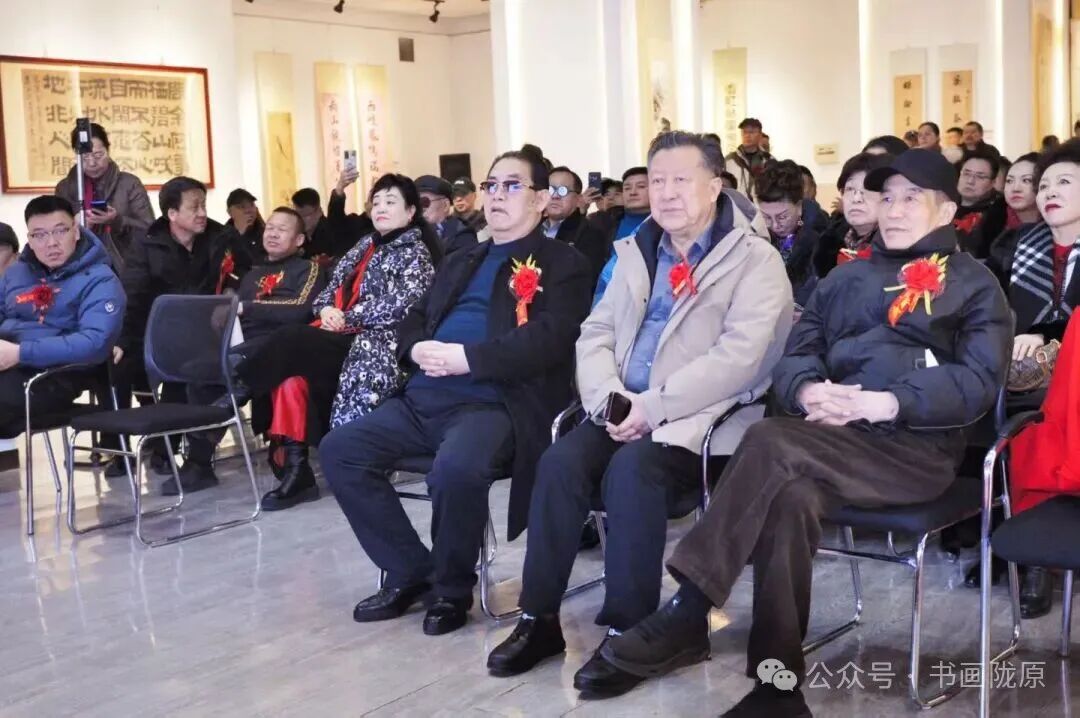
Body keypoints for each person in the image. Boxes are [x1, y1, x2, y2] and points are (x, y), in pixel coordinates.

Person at [599, 149, 1012, 717]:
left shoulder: (975, 285)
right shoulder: (846, 277)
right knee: (791, 498)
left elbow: (980, 382)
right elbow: (798, 352)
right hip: (829, 438)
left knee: (770, 440)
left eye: (911, 199)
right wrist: (807, 390)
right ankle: (777, 688)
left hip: (916, 451)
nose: (893, 210)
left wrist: (886, 401)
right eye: (887, 197)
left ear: (946, 211)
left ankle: (689, 608)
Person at [485, 131, 793, 698]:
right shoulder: (636, 249)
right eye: (657, 181)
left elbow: (740, 359)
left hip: (703, 422)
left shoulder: (755, 260)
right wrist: (609, 399)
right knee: (559, 463)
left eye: (681, 181)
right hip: (623, 409)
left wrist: (652, 407)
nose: (666, 193)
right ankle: (538, 617)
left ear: (715, 186)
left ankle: (630, 628)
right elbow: (596, 333)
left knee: (633, 472)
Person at [318, 150, 592, 637]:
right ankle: (410, 570)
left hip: (494, 404)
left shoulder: (563, 262)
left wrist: (471, 359)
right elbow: (415, 316)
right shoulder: (463, 257)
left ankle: (450, 589)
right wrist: (416, 347)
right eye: (491, 186)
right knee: (341, 449)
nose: (497, 196)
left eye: (512, 186)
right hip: (423, 397)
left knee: (456, 469)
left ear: (540, 199)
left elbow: (551, 338)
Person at [230, 175, 437, 510]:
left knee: (292, 337)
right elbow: (328, 291)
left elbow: (402, 304)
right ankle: (297, 472)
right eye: (377, 201)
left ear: (411, 211)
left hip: (375, 344)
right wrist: (326, 309)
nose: (381, 208)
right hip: (339, 334)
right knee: (291, 374)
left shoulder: (416, 253)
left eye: (391, 202)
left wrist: (347, 316)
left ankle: (240, 388)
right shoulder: (365, 245)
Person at [977, 140, 1080, 618]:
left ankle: (1045, 550)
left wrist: (1046, 334)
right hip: (1023, 376)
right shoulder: (1016, 245)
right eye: (1045, 185)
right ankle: (1033, 555)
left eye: (1065, 182)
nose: (1048, 192)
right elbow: (995, 313)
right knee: (1022, 420)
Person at [110, 176, 242, 488]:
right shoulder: (147, 244)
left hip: (210, 333)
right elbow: (133, 296)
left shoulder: (220, 237)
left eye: (204, 205)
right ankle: (131, 449)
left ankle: (178, 450)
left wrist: (231, 296)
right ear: (172, 213)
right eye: (194, 207)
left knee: (199, 370)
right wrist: (122, 340)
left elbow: (245, 273)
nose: (202, 213)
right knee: (120, 365)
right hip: (158, 334)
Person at [0, 196, 125, 438]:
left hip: (57, 374)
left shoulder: (100, 279)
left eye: (60, 231)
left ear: (75, 232)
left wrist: (20, 353)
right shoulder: (15, 274)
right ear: (29, 240)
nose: (51, 243)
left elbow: (94, 343)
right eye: (39, 235)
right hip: (9, 367)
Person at [54, 123, 154, 271]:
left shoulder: (129, 184)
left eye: (98, 155)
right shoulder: (65, 188)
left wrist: (116, 220)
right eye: (85, 157)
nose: (92, 163)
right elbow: (54, 235)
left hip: (124, 267)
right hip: (78, 266)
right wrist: (74, 226)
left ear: (108, 150)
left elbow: (150, 231)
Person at [756, 160, 825, 307]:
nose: (775, 225)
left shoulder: (821, 239)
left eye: (782, 217)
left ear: (799, 207)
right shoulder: (756, 237)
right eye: (766, 217)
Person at [814, 152, 891, 277]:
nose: (856, 199)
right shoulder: (829, 243)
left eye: (867, 190)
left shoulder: (894, 248)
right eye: (850, 189)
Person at [544, 166, 610, 285]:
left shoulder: (590, 233)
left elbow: (587, 280)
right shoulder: (530, 227)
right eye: (550, 189)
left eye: (563, 190)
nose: (555, 196)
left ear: (578, 199)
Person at [986, 152, 1041, 287]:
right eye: (1009, 181)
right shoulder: (996, 221)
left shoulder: (1056, 230)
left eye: (1026, 180)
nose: (1015, 188)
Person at [954, 148, 1007, 258]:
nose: (970, 181)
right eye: (966, 174)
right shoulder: (944, 203)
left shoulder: (998, 213)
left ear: (992, 183)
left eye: (980, 176)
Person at [416, 175, 478, 256]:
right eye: (416, 204)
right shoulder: (411, 235)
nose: (420, 209)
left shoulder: (463, 237)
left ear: (445, 205)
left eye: (424, 202)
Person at [330, 168, 377, 256]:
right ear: (366, 205)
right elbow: (335, 219)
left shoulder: (392, 228)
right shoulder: (353, 223)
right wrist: (340, 188)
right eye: (374, 200)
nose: (377, 206)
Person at [725, 118, 774, 199]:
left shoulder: (768, 160)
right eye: (745, 132)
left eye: (752, 132)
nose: (747, 135)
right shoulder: (730, 160)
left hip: (762, 204)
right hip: (737, 204)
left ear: (760, 135)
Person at [291, 187, 342, 261]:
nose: (301, 219)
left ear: (319, 211)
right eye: (297, 215)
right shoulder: (296, 234)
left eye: (305, 215)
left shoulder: (333, 231)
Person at [224, 188, 265, 263]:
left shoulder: (265, 233)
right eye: (242, 207)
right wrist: (240, 234)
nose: (248, 210)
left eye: (252, 205)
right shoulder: (222, 237)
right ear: (230, 212)